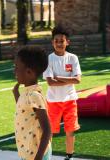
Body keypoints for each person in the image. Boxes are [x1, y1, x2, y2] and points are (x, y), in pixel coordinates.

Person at [43, 25, 81, 160]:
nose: (59, 43)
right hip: (53, 101)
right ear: (52, 42)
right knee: (50, 132)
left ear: (67, 42)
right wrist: (68, 80)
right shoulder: (49, 59)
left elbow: (77, 80)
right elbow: (50, 82)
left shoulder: (73, 58)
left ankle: (69, 156)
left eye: (62, 40)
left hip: (70, 100)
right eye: (56, 41)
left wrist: (58, 77)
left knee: (70, 130)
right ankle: (47, 156)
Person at [13, 46, 52, 160]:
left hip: (36, 153)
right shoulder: (27, 92)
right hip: (27, 150)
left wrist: (38, 158)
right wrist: (16, 93)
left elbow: (47, 130)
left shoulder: (34, 95)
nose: (14, 70)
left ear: (29, 72)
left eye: (16, 67)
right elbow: (25, 111)